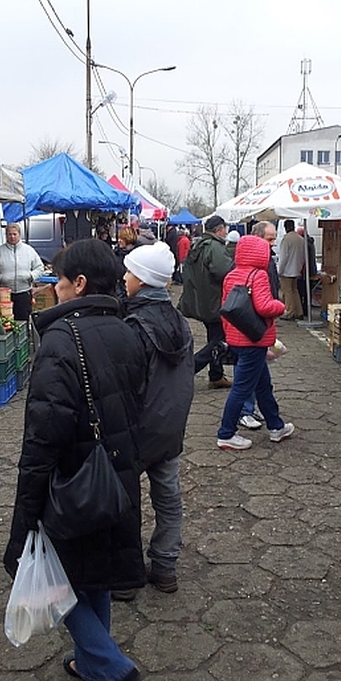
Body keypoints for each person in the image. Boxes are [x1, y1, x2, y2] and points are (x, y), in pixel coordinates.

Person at [3, 239, 147, 681]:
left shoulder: (62, 340)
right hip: (116, 477)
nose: (53, 289)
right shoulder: (128, 330)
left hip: (70, 484)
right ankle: (92, 664)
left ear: (79, 284)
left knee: (53, 582)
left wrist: (25, 512)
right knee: (96, 574)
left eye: (58, 280)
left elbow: (43, 435)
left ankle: (112, 666)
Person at [112, 241, 194, 600]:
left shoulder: (132, 326)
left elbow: (127, 386)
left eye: (129, 272)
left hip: (138, 430)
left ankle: (126, 579)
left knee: (125, 502)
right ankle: (165, 567)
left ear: (142, 281)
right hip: (171, 428)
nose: (124, 278)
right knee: (168, 498)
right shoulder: (180, 323)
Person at [216, 234, 294, 450]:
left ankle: (277, 426)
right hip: (254, 341)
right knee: (241, 389)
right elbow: (264, 307)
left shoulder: (231, 275)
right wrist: (279, 306)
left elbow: (225, 308)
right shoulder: (258, 275)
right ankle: (226, 433)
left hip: (237, 339)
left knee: (263, 386)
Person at [178, 215, 233, 389]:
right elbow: (223, 270)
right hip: (214, 301)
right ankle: (189, 369)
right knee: (220, 339)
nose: (226, 231)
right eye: (225, 228)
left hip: (202, 300)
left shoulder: (199, 244)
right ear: (219, 229)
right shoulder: (214, 246)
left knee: (215, 336)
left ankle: (216, 375)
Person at [238, 220, 279, 431]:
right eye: (269, 239)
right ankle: (243, 413)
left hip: (260, 328)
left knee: (261, 377)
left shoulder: (267, 262)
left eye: (274, 239)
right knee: (247, 377)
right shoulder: (247, 265)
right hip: (250, 330)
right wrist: (276, 307)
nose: (273, 243)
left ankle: (272, 419)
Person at [0, 223, 45, 321]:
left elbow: (39, 267)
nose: (12, 237)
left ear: (19, 235)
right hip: (4, 295)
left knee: (23, 320)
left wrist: (31, 276)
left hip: (24, 293)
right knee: (6, 320)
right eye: (9, 234)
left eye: (14, 234)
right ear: (6, 235)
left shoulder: (29, 251)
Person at [278, 219, 306, 320]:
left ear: (286, 228)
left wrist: (279, 270)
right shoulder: (300, 239)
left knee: (287, 292)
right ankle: (299, 311)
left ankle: (289, 312)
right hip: (297, 269)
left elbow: (283, 257)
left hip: (287, 270)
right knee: (295, 290)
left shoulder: (286, 239)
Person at [296, 226, 319, 318]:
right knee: (307, 292)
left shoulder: (305, 243)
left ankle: (304, 310)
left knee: (302, 292)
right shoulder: (310, 242)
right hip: (311, 270)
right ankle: (306, 310)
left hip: (305, 271)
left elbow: (304, 259)